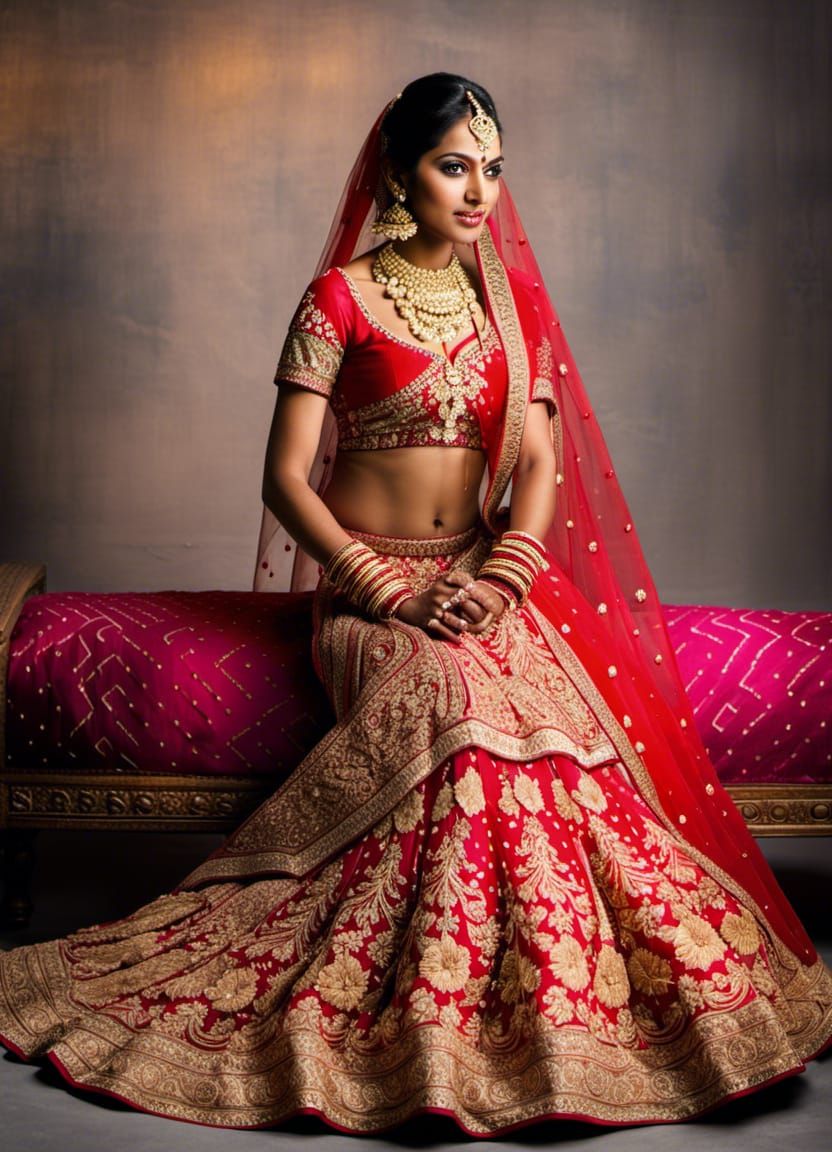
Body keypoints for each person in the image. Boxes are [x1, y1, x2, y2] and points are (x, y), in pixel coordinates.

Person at [0, 73, 829, 1136]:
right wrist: (381, 587)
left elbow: (538, 465)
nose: (479, 190)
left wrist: (506, 574)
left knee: (553, 746)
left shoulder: (511, 307)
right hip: (372, 596)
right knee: (455, 711)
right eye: (454, 165)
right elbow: (287, 480)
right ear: (400, 173)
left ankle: (563, 1009)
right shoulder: (340, 298)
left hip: (487, 581)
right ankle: (435, 1015)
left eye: (492, 169)